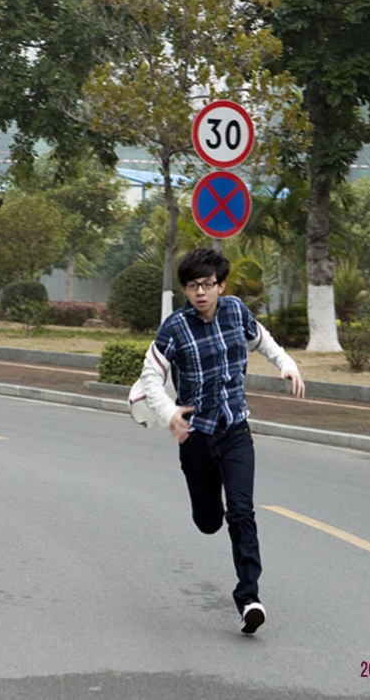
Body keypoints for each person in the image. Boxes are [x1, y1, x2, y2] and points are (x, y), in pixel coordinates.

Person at [137, 248, 305, 635]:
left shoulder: (235, 311)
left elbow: (262, 340)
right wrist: (170, 413)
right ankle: (208, 515)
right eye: (193, 286)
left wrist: (286, 364)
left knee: (242, 511)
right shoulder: (174, 328)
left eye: (208, 285)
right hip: (196, 436)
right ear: (184, 289)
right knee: (209, 521)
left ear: (220, 285)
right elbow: (150, 378)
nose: (201, 292)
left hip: (235, 431)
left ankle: (249, 599)